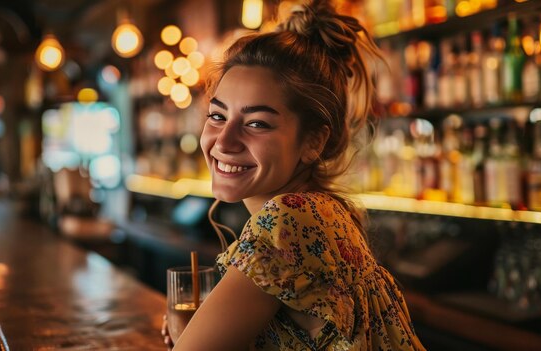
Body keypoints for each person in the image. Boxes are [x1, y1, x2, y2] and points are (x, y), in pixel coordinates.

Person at [165, 0, 427, 349]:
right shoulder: (327, 211)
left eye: (257, 123)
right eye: (217, 116)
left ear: (313, 141)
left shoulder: (288, 220)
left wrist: (185, 333)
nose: (224, 142)